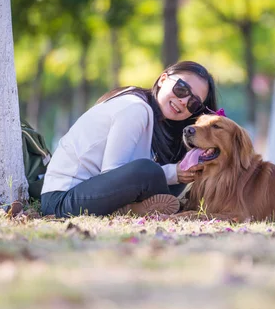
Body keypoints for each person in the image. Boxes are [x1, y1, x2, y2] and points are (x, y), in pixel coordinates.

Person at [40, 61, 218, 217]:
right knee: (148, 169)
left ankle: (135, 208)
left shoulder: (149, 114)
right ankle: (131, 208)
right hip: (62, 200)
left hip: (84, 193)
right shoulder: (135, 108)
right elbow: (113, 173)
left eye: (193, 103)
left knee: (173, 170)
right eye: (181, 89)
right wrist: (172, 173)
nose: (183, 101)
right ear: (163, 79)